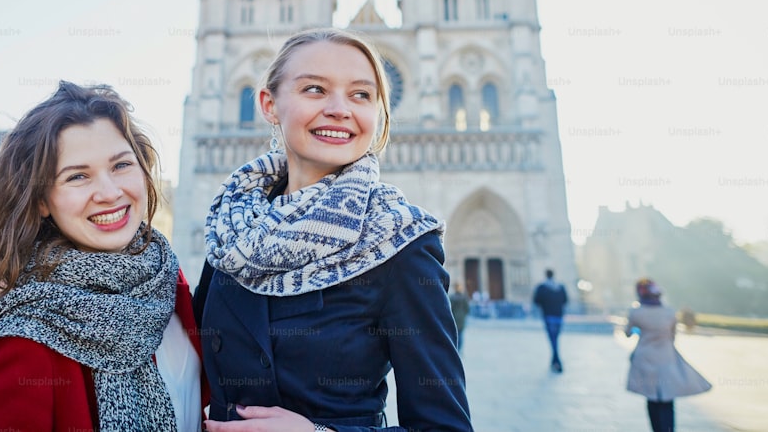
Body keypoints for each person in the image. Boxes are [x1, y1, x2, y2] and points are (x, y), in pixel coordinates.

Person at [195, 28, 473, 431]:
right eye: (314, 89)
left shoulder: (400, 242)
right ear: (269, 104)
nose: (340, 108)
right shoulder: (231, 226)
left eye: (361, 94)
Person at [0, 81, 206, 432]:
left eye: (121, 165)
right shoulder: (23, 342)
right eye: (78, 176)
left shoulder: (166, 281)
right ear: (41, 201)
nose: (110, 193)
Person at [626, 278, 711, 432]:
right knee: (667, 398)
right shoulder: (669, 312)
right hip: (666, 357)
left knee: (652, 398)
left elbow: (627, 333)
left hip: (645, 357)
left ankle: (656, 429)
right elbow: (672, 336)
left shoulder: (636, 312)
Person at [533, 268, 568, 373]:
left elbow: (536, 300)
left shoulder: (542, 287)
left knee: (553, 340)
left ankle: (557, 361)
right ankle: (555, 361)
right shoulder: (560, 287)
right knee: (555, 339)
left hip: (548, 316)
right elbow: (565, 300)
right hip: (559, 316)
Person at [449, 282, 471, 353]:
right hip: (461, 318)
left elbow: (450, 308)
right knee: (461, 334)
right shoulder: (464, 297)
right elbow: (467, 308)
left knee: (455, 334)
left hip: (454, 318)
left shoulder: (452, 297)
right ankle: (460, 349)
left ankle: (456, 348)